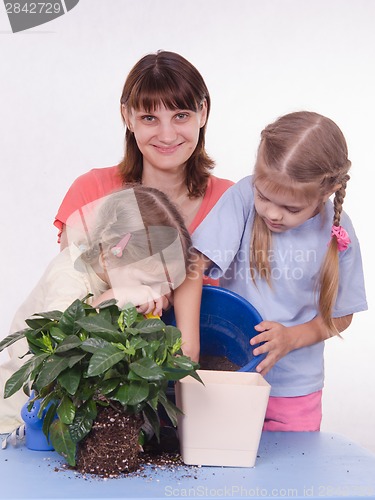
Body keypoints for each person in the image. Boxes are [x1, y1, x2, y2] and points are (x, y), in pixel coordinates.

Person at [53, 49, 233, 367]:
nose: (166, 134)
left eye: (181, 115)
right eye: (150, 118)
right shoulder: (91, 192)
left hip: (205, 376)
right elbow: (68, 302)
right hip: (108, 384)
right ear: (128, 116)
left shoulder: (230, 202)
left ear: (202, 113)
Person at [192, 111, 368, 431]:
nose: (272, 214)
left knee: (287, 475)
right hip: (227, 378)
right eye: (264, 196)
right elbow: (194, 265)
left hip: (294, 392)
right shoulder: (243, 197)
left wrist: (289, 338)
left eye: (291, 208)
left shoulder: (337, 231)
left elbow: (341, 316)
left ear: (326, 192)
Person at [0, 186, 195, 433]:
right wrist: (112, 298)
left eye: (165, 286)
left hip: (69, 413)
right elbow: (55, 345)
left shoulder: (121, 276)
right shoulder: (70, 275)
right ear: (108, 257)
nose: (155, 295)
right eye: (147, 282)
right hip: (17, 415)